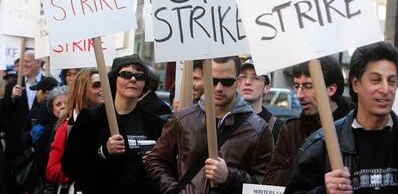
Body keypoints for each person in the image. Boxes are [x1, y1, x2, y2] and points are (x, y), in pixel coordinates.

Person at [285, 42, 398, 193]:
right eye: (376, 80)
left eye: (391, 81)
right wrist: (324, 192)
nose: (385, 89)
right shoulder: (321, 147)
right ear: (355, 84)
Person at [145, 56, 273, 194]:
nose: (218, 88)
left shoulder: (258, 129)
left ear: (238, 81)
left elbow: (267, 184)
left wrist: (229, 177)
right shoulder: (183, 119)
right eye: (213, 80)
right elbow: (155, 160)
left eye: (227, 82)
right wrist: (174, 190)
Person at [62, 55, 165, 194]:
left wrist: (154, 162)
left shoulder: (154, 124)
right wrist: (104, 151)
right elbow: (70, 167)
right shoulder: (91, 118)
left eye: (140, 76)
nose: (133, 79)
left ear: (144, 84)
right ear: (114, 80)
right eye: (126, 74)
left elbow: (163, 173)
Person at [264, 56, 354, 186]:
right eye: (296, 86)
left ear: (331, 90)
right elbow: (272, 179)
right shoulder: (291, 130)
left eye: (308, 86)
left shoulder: (354, 126)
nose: (299, 94)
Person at [46, 69, 104, 189]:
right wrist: (80, 169)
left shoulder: (114, 120)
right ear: (82, 90)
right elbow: (51, 171)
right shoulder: (67, 127)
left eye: (105, 84)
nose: (102, 89)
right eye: (96, 85)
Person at [1, 50, 45, 193]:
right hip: (15, 148)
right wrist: (12, 97)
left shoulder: (49, 83)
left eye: (26, 61)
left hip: (37, 147)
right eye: (21, 62)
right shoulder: (13, 84)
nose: (23, 65)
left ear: (38, 62)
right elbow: (3, 112)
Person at [238, 59, 284, 144]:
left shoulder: (276, 127)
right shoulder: (226, 120)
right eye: (243, 77)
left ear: (266, 88)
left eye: (255, 78)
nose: (247, 82)